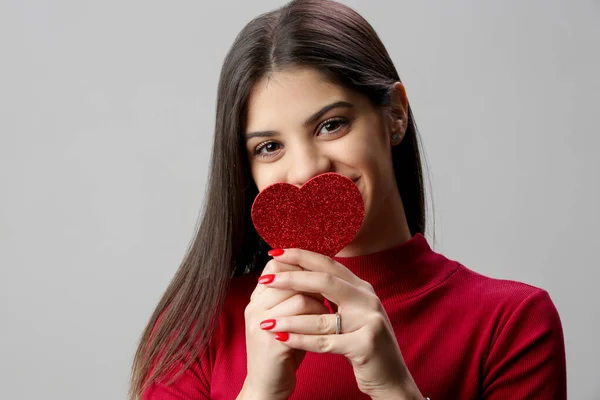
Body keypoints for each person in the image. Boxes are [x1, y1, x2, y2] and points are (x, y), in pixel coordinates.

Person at [129, 0, 567, 399]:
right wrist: (261, 389)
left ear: (395, 114)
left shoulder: (512, 323)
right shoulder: (196, 329)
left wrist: (395, 388)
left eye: (331, 125)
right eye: (269, 147)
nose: (306, 171)